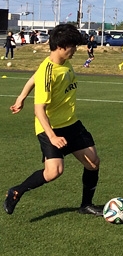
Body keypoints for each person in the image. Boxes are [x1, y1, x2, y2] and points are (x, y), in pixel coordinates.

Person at [4, 23, 103, 216]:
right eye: (73, 46)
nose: (75, 50)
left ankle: (86, 205)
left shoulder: (62, 62)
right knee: (54, 172)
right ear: (60, 47)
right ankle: (16, 191)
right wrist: (52, 136)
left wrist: (21, 96)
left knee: (93, 162)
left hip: (71, 123)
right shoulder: (48, 73)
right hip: (50, 127)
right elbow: (39, 109)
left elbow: (34, 77)